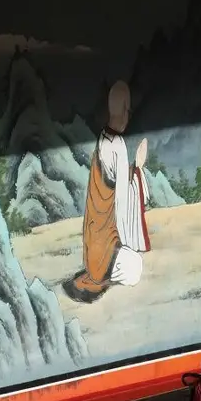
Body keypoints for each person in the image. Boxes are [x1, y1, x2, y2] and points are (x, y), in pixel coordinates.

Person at [64, 80, 149, 303]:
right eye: (128, 111)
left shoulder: (104, 138)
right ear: (124, 111)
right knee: (135, 269)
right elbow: (122, 203)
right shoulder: (117, 145)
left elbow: (116, 185)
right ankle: (100, 276)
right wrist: (138, 169)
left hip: (94, 244)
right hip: (105, 246)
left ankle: (96, 273)